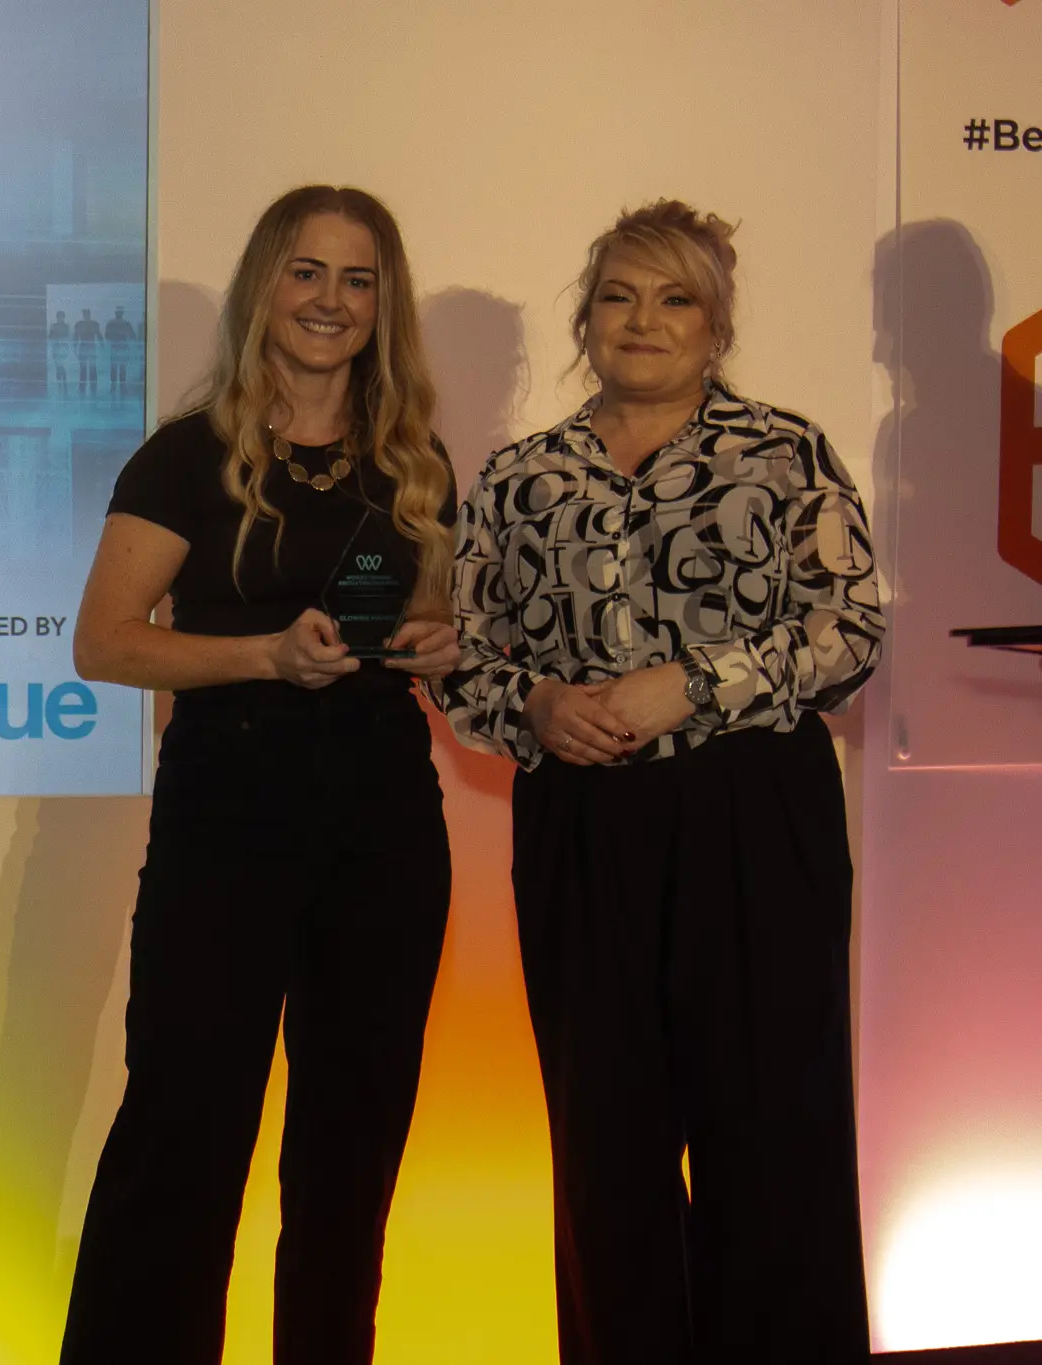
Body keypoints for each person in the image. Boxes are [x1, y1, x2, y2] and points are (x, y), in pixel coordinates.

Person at [442, 200, 884, 1363]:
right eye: (617, 296)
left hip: (752, 815)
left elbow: (848, 632)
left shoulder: (782, 453)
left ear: (714, 323)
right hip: (580, 824)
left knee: (771, 1136)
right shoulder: (519, 476)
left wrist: (686, 686)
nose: (641, 320)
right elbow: (457, 652)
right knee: (605, 1148)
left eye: (673, 298)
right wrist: (536, 704)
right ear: (584, 318)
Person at [61, 184, 460, 1365]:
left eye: (356, 279)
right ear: (263, 289)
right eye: (306, 272)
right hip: (226, 816)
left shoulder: (413, 462)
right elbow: (103, 643)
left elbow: (423, 619)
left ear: (382, 304)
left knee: (352, 1147)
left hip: (383, 821)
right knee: (181, 1132)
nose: (329, 301)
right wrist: (264, 657)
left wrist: (435, 642)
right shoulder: (186, 456)